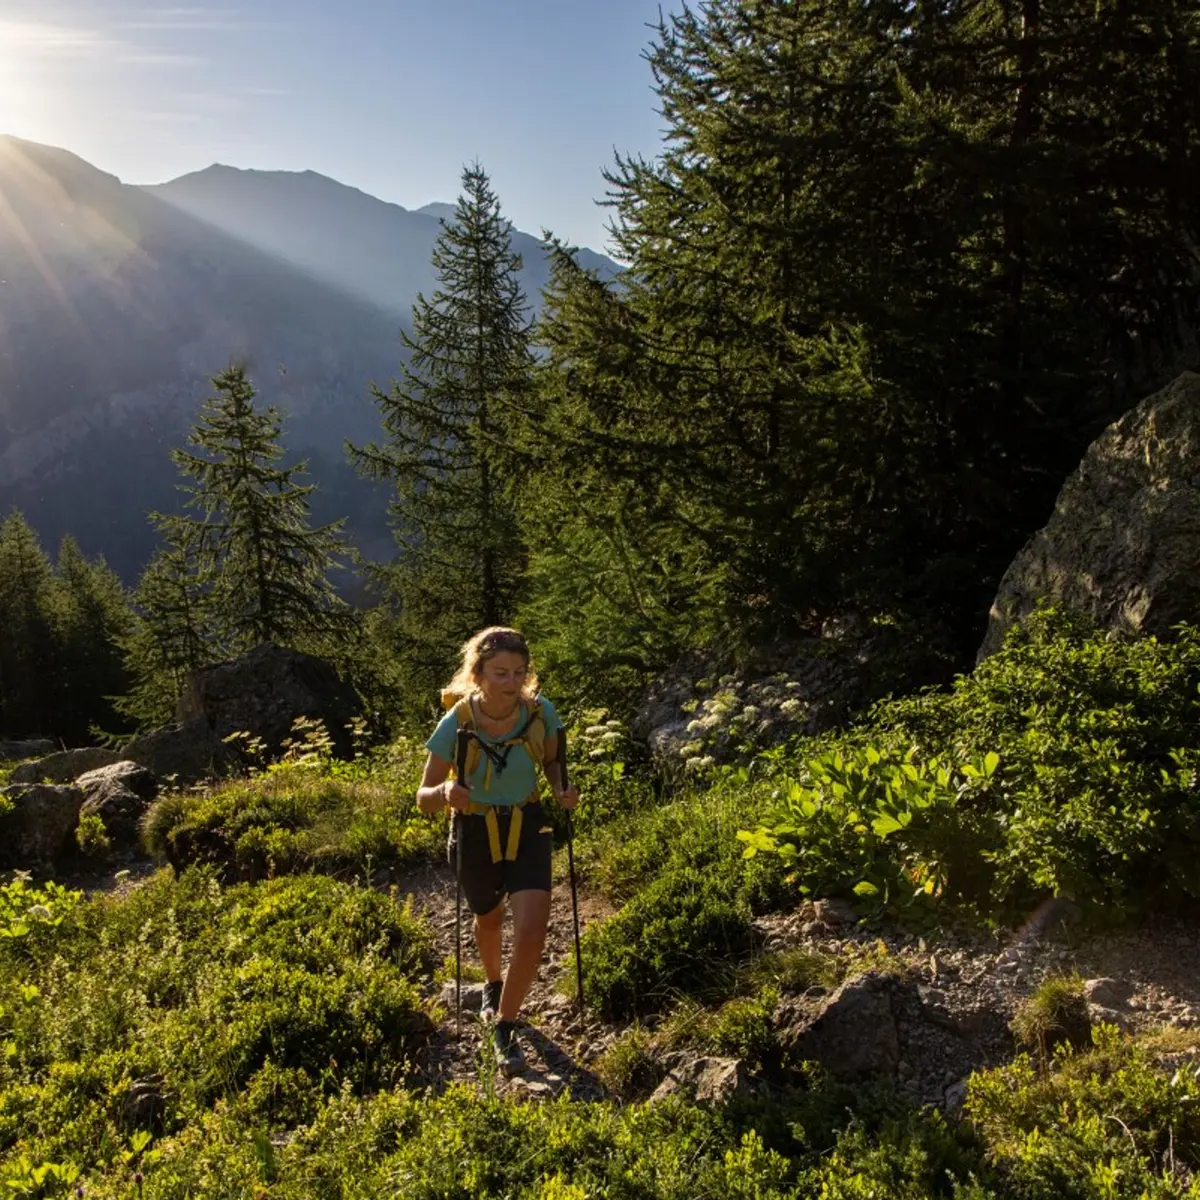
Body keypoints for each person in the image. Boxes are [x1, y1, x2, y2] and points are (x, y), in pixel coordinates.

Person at [416, 626, 579, 1075]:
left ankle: (504, 1022)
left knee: (532, 930)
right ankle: (492, 982)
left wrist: (564, 789)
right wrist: (447, 791)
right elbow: (423, 795)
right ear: (479, 673)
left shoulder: (541, 713)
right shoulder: (457, 722)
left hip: (528, 824)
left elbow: (552, 762)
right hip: (473, 830)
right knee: (488, 917)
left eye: (519, 673)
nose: (511, 682)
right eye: (500, 673)